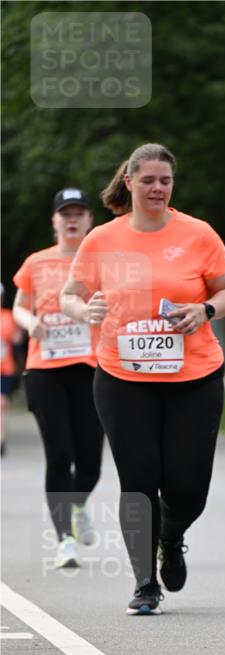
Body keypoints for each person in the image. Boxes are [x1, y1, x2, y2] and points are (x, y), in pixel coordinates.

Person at [60, 143, 225, 615]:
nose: (157, 188)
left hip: (195, 376)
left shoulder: (198, 234)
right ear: (130, 182)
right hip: (122, 378)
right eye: (148, 180)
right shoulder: (103, 239)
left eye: (165, 180)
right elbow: (70, 295)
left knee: (188, 489)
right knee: (138, 478)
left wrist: (204, 309)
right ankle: (144, 583)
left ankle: (172, 536)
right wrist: (85, 309)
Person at [12, 189, 104, 567]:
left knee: (90, 463)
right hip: (45, 369)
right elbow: (19, 306)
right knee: (59, 453)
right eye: (66, 213)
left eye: (79, 213)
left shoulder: (102, 261)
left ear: (90, 220)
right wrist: (30, 322)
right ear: (54, 221)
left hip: (92, 368)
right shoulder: (36, 262)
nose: (72, 219)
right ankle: (64, 539)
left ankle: (78, 504)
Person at [1, 282, 22, 457]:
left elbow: (17, 339)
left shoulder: (8, 317)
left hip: (4, 368)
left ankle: (1, 440)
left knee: (2, 404)